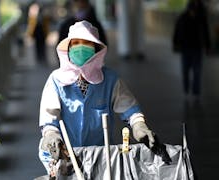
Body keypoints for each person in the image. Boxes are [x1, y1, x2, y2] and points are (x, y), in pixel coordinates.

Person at [38, 20, 156, 176]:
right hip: (66, 157)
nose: (80, 47)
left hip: (102, 157)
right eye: (76, 43)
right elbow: (49, 118)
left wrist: (139, 125)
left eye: (86, 43)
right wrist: (51, 134)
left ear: (96, 49)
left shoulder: (110, 80)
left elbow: (129, 108)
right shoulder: (55, 80)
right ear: (68, 48)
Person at [173, 0, 210, 101]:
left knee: (196, 71)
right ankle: (186, 89)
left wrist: (207, 46)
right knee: (186, 71)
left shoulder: (200, 18)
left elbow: (205, 32)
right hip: (186, 49)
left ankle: (195, 91)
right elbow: (177, 31)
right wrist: (175, 44)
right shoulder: (183, 18)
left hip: (196, 49)